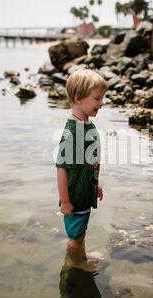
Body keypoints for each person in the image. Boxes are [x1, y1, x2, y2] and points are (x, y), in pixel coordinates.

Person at [55, 68, 108, 249]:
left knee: (81, 231)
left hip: (84, 193)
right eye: (97, 98)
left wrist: (95, 182)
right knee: (75, 236)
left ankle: (80, 257)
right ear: (78, 98)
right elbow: (62, 168)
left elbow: (88, 161)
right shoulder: (72, 132)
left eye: (102, 98)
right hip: (74, 198)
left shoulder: (87, 125)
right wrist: (65, 201)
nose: (101, 103)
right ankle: (74, 264)